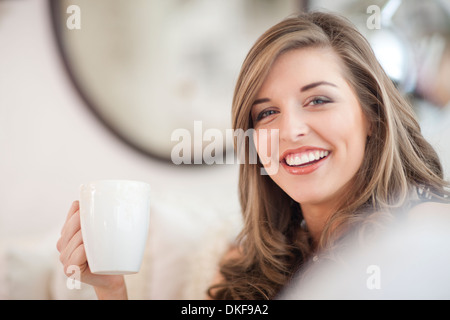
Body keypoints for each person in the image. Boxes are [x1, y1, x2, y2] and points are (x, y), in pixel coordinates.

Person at [57, 11, 450, 300]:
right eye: (266, 113)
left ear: (373, 117)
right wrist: (111, 289)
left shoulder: (429, 227)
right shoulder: (247, 262)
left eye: (318, 100)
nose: (291, 131)